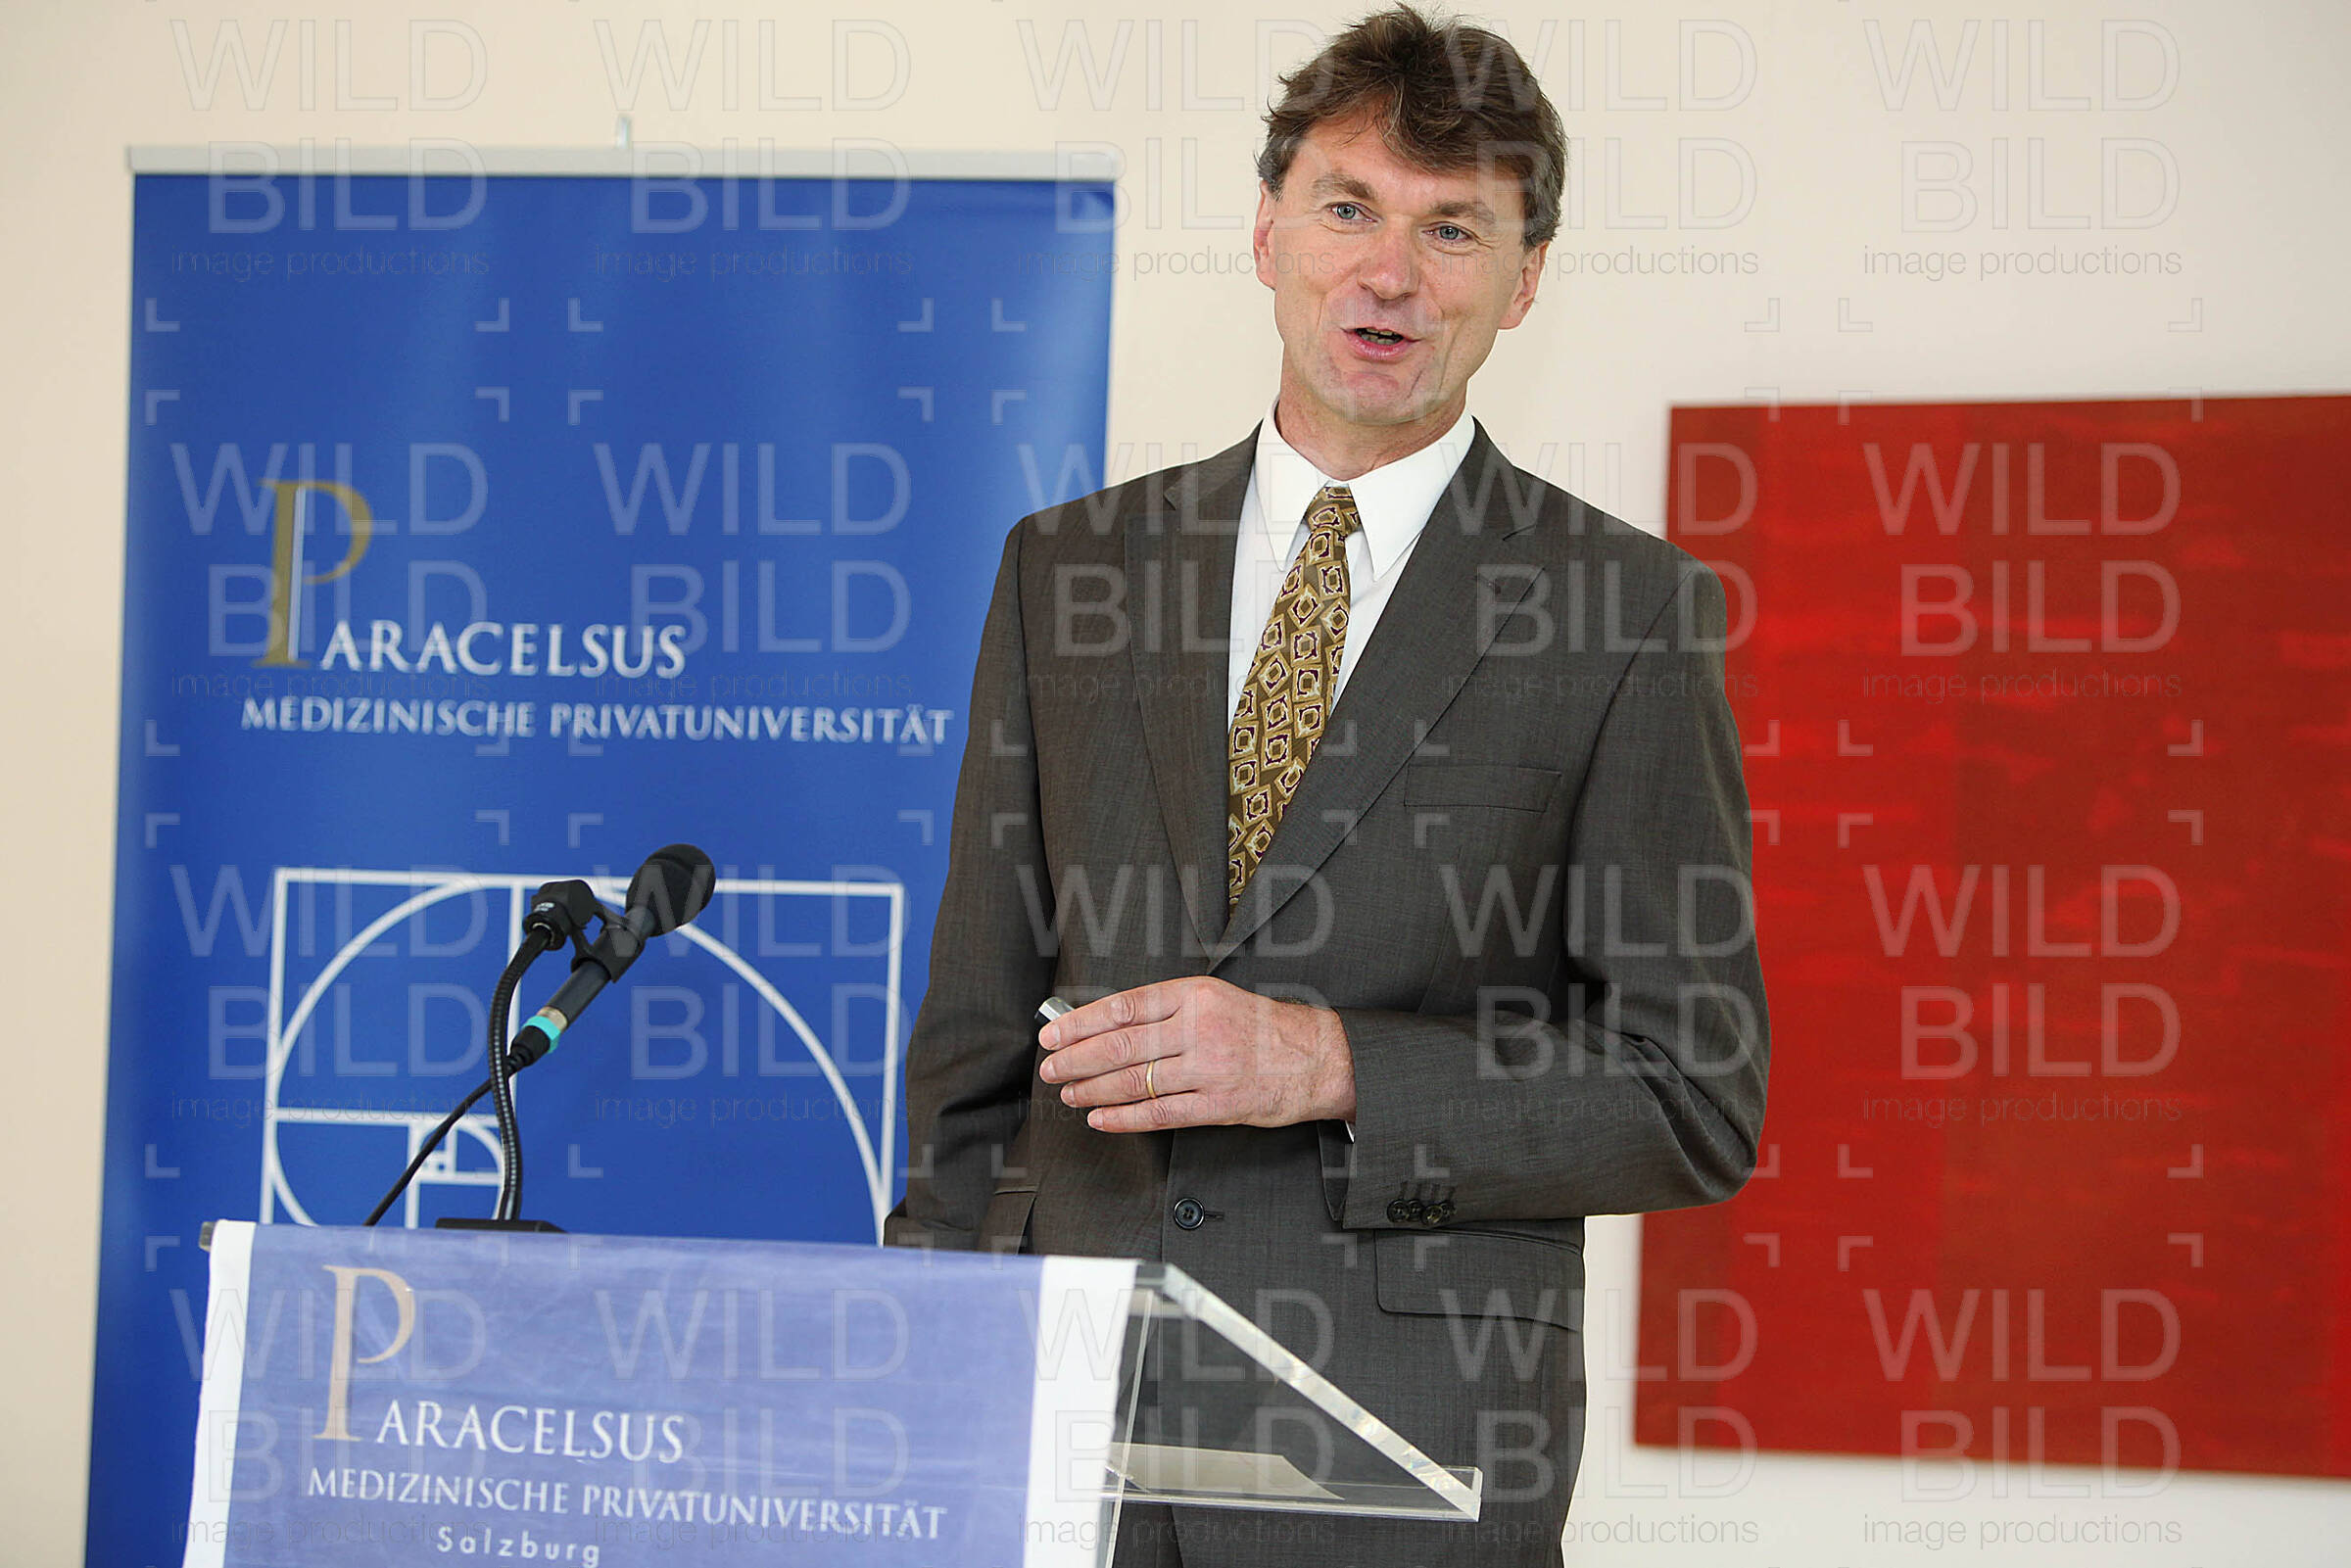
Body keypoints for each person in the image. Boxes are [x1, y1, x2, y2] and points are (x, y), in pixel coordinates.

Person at [885, 7, 1770, 1564]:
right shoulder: (1069, 570)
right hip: (1063, 1443)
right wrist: (931, 1378)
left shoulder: (1625, 614)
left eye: (1453, 228)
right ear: (1267, 232)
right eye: (1349, 206)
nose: (1389, 273)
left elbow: (1694, 1093)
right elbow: (972, 1041)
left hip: (1404, 1458)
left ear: (1525, 279)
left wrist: (1334, 1061)